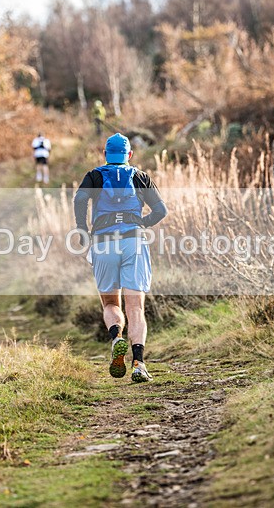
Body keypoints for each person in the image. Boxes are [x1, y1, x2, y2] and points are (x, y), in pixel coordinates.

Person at [73, 133, 168, 383]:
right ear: (129, 155)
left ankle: (116, 337)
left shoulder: (94, 175)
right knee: (135, 307)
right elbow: (161, 210)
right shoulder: (140, 176)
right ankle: (139, 364)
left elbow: (80, 198)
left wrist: (82, 229)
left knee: (110, 303)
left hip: (103, 242)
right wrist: (142, 223)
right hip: (132, 241)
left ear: (105, 154)